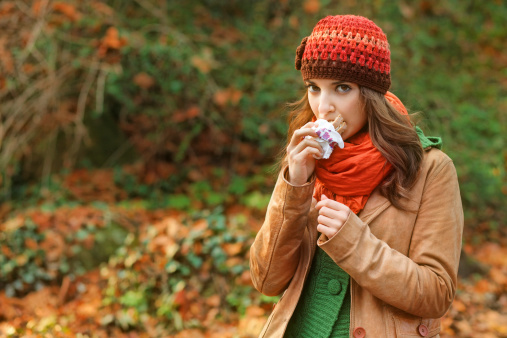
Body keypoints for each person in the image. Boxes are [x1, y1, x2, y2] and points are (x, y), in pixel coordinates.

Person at [249, 15, 464, 338]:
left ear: (371, 94)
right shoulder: (310, 160)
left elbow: (436, 294)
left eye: (342, 88)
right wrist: (294, 187)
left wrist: (355, 242)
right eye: (314, 88)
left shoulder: (430, 169)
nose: (324, 108)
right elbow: (266, 281)